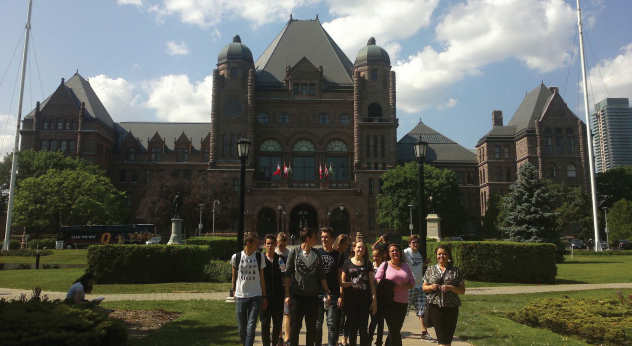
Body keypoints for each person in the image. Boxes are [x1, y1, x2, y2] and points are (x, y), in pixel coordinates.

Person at [285, 227, 331, 346]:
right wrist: (287, 295)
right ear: (308, 238)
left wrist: (327, 291)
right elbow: (288, 275)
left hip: (312, 297)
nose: (317, 239)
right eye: (315, 237)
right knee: (295, 327)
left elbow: (321, 275)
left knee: (311, 328)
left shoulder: (317, 254)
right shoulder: (294, 252)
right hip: (297, 297)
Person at [422, 245, 465, 346]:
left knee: (448, 339)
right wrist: (431, 287)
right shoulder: (430, 269)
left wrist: (450, 288)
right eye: (439, 254)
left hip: (452, 307)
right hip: (435, 307)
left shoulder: (456, 271)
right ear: (436, 255)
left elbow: (462, 290)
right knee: (441, 339)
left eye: (444, 254)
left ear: (449, 255)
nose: (442, 256)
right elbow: (423, 287)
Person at [231, 232, 267, 346]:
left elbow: (262, 278)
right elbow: (234, 276)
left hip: (255, 296)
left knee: (251, 327)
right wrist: (233, 291)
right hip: (241, 296)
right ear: (248, 243)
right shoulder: (236, 257)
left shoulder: (259, 256)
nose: (258, 245)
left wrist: (264, 296)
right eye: (256, 243)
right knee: (242, 329)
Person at [375, 243, 415, 346]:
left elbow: (412, 283)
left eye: (396, 250)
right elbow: (377, 279)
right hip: (389, 301)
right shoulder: (385, 265)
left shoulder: (405, 266)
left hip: (403, 302)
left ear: (400, 252)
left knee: (396, 329)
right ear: (389, 254)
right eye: (392, 251)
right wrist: (389, 285)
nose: (395, 252)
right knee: (394, 329)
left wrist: (403, 286)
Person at [340, 240, 377, 346]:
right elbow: (341, 283)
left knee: (363, 329)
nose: (361, 249)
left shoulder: (368, 263)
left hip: (364, 301)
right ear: (354, 248)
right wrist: (349, 285)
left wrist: (374, 300)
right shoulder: (347, 263)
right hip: (350, 301)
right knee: (352, 329)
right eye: (359, 247)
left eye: (363, 248)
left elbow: (371, 283)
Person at [315, 227, 344, 346]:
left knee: (332, 324)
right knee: (317, 324)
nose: (324, 239)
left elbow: (340, 277)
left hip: (333, 293)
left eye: (326, 237)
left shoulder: (338, 255)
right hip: (318, 293)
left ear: (332, 239)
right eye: (322, 237)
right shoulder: (316, 253)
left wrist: (341, 295)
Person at [403, 235, 431, 340]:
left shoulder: (418, 254)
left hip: (419, 286)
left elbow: (417, 267)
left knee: (422, 309)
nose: (415, 244)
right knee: (403, 310)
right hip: (409, 287)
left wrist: (425, 264)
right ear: (409, 243)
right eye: (413, 242)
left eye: (416, 242)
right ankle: (396, 330)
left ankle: (424, 332)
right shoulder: (405, 252)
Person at [261, 234, 283, 346]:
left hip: (278, 298)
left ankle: (274, 344)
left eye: (272, 243)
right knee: (265, 324)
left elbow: (285, 276)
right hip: (265, 297)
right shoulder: (260, 259)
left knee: (277, 324)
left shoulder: (280, 260)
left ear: (276, 245)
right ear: (264, 245)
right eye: (268, 243)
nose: (270, 246)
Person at [333, 234, 351, 346]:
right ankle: (336, 341)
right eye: (346, 244)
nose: (347, 246)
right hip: (338, 289)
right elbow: (339, 276)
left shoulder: (344, 254)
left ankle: (343, 339)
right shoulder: (337, 255)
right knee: (337, 318)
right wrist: (340, 294)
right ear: (340, 243)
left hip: (343, 289)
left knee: (344, 316)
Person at [368, 247, 386, 346]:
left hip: (382, 298)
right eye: (374, 256)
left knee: (381, 322)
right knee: (374, 321)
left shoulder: (385, 266)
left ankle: (379, 342)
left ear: (381, 256)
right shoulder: (370, 266)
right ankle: (369, 340)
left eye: (377, 256)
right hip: (372, 297)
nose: (375, 258)